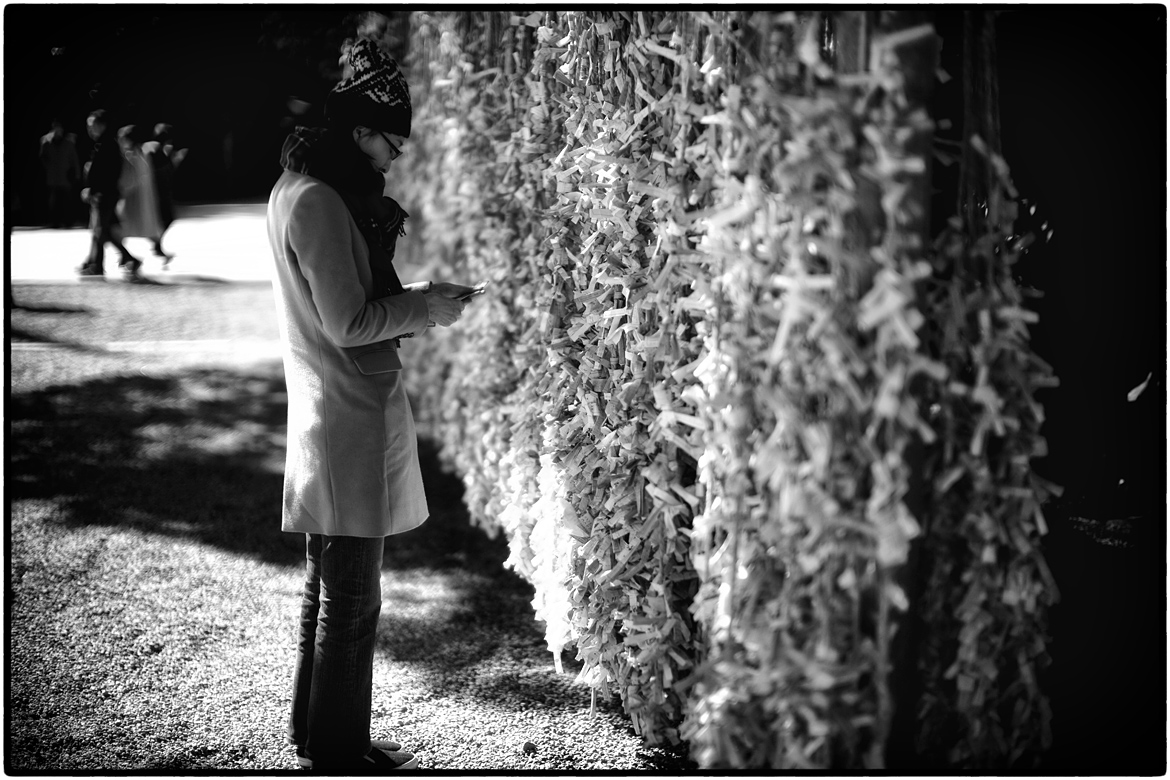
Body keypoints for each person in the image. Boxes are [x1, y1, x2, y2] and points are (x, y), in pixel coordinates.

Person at [266, 37, 479, 773]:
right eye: (392, 140)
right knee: (352, 601)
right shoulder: (321, 201)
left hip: (328, 407)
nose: (396, 156)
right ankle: (340, 751)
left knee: (324, 589)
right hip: (347, 416)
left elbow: (342, 310)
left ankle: (312, 733)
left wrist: (416, 302)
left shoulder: (296, 185)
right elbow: (349, 322)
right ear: (360, 132)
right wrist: (421, 305)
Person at [79, 110, 143, 280]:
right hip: (105, 193)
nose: (90, 129)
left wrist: (95, 191)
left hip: (105, 194)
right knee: (101, 230)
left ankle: (128, 259)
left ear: (102, 125)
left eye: (92, 125)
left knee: (102, 230)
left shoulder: (107, 145)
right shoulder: (103, 143)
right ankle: (96, 264)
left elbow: (107, 173)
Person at [141, 123, 187, 264]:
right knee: (165, 218)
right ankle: (155, 244)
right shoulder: (153, 149)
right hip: (157, 191)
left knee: (165, 218)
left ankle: (156, 245)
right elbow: (158, 170)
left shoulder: (156, 148)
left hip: (160, 190)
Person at [115, 125, 165, 252]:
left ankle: (126, 257)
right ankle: (157, 250)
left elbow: (130, 178)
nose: (119, 141)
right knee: (140, 226)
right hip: (140, 197)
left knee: (121, 227)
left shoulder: (131, 156)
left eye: (122, 138)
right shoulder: (142, 153)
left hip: (132, 197)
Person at [39, 119, 81, 228]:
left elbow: (74, 159)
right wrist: (47, 168)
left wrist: (76, 174)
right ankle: (54, 221)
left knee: (66, 199)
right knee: (53, 200)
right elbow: (42, 158)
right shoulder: (46, 142)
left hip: (65, 176)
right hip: (52, 176)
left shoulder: (68, 143)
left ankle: (68, 221)